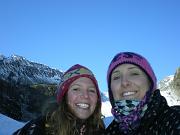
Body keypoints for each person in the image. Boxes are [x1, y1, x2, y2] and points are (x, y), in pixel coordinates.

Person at [13, 64, 105, 135]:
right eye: (76, 89)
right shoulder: (38, 128)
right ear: (64, 96)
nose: (85, 95)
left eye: (91, 90)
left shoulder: (104, 132)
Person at [104, 52, 180, 135]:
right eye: (116, 77)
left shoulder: (173, 119)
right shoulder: (111, 130)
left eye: (134, 74)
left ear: (150, 83)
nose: (124, 82)